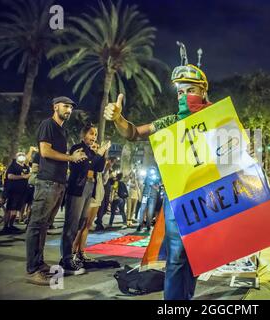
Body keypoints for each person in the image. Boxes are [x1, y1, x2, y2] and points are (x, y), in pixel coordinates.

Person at [104, 46, 212, 299]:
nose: (184, 96)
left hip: (210, 199)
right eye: (180, 92)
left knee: (197, 259)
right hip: (178, 198)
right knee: (176, 256)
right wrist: (119, 118)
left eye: (191, 90)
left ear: (204, 92)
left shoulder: (219, 119)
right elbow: (133, 133)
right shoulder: (170, 122)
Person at [25, 96, 87, 286]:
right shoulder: (48, 125)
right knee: (37, 225)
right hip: (47, 183)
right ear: (55, 107)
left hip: (58, 183)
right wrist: (71, 157)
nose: (68, 110)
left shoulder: (61, 130)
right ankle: (33, 269)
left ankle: (39, 263)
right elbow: (45, 152)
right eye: (65, 106)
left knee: (43, 226)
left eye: (70, 107)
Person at [60, 124, 109, 274]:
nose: (94, 137)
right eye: (91, 134)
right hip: (78, 187)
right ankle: (66, 259)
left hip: (90, 187)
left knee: (81, 222)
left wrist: (102, 153)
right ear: (83, 135)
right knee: (72, 224)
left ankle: (72, 255)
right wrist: (98, 153)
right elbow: (85, 166)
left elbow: (98, 168)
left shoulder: (92, 151)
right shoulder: (77, 148)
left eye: (95, 134)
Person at [3, 152, 31, 233]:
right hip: (13, 191)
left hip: (22, 191)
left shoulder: (26, 166)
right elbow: (10, 176)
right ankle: (5, 226)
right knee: (10, 209)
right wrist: (22, 176)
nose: (21, 156)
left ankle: (11, 226)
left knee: (16, 209)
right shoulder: (13, 165)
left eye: (23, 155)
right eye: (19, 155)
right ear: (16, 157)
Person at [94, 157, 116, 231]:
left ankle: (98, 220)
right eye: (112, 162)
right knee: (102, 206)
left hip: (107, 189)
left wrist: (113, 178)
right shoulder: (104, 167)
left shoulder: (110, 169)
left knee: (106, 206)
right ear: (109, 161)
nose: (112, 164)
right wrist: (107, 170)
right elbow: (102, 177)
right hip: (102, 188)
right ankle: (99, 223)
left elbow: (111, 181)